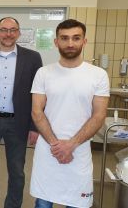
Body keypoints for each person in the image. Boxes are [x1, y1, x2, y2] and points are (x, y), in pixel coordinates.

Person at [30, 19, 109, 208]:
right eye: (64, 38)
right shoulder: (44, 73)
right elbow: (36, 111)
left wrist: (71, 145)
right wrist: (57, 145)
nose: (70, 43)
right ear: (56, 42)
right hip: (48, 151)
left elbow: (99, 115)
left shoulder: (98, 75)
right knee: (43, 203)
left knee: (77, 203)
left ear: (84, 41)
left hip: (79, 151)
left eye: (76, 38)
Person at [0, 17, 43, 208]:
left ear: (18, 33)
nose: (8, 34)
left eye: (13, 30)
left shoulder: (33, 57)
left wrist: (34, 126)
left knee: (17, 172)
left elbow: (38, 94)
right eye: (4, 29)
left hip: (18, 123)